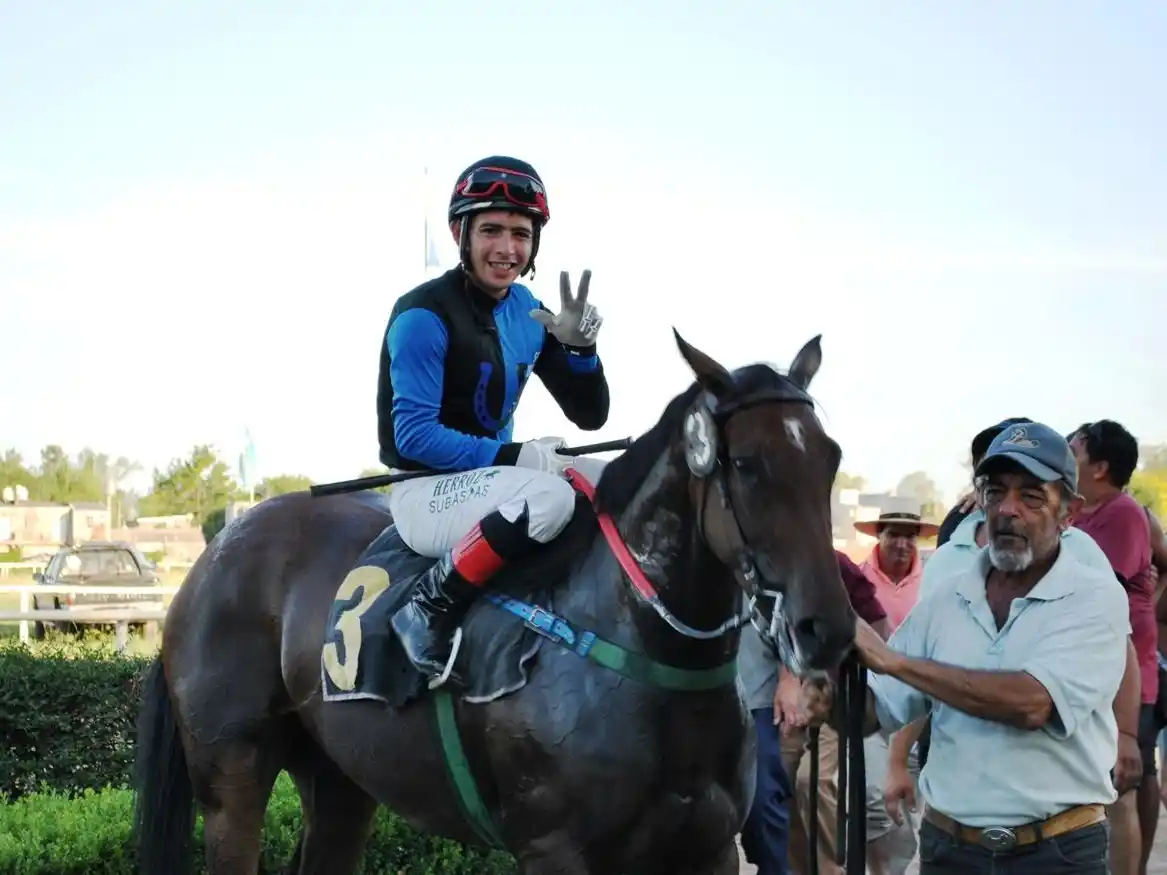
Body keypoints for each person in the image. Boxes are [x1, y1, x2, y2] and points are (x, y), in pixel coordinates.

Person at [805, 421, 1130, 874]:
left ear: (1069, 512)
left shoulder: (1094, 595)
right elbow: (875, 710)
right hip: (950, 851)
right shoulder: (947, 598)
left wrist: (896, 662)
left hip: (1057, 855)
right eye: (994, 492)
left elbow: (1031, 703)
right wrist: (828, 691)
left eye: (1031, 496)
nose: (1007, 509)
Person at [377, 155, 611, 685]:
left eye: (521, 234)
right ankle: (427, 610)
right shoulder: (421, 315)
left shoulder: (526, 309)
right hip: (426, 492)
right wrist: (516, 454)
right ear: (461, 232)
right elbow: (411, 438)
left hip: (495, 484)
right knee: (550, 497)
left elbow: (590, 415)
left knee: (615, 482)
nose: (507, 249)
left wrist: (582, 351)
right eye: (491, 230)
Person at [738, 550, 889, 875]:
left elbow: (878, 627)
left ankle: (829, 870)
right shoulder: (759, 564)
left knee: (812, 782)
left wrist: (831, 673)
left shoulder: (833, 563)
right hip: (783, 701)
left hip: (830, 698)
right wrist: (793, 676)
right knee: (782, 793)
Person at [1068, 420, 1159, 875]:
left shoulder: (1123, 513)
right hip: (1096, 668)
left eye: (1075, 447)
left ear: (1100, 467)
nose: (1067, 451)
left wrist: (1151, 609)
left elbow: (1100, 588)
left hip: (1125, 672)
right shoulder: (1079, 512)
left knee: (1118, 787)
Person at [852, 509, 940, 875]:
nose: (902, 543)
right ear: (879, 537)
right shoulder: (858, 576)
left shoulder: (933, 580)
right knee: (875, 796)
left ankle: (899, 867)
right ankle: (884, 867)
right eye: (894, 534)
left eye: (910, 535)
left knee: (914, 795)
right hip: (875, 693)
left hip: (925, 698)